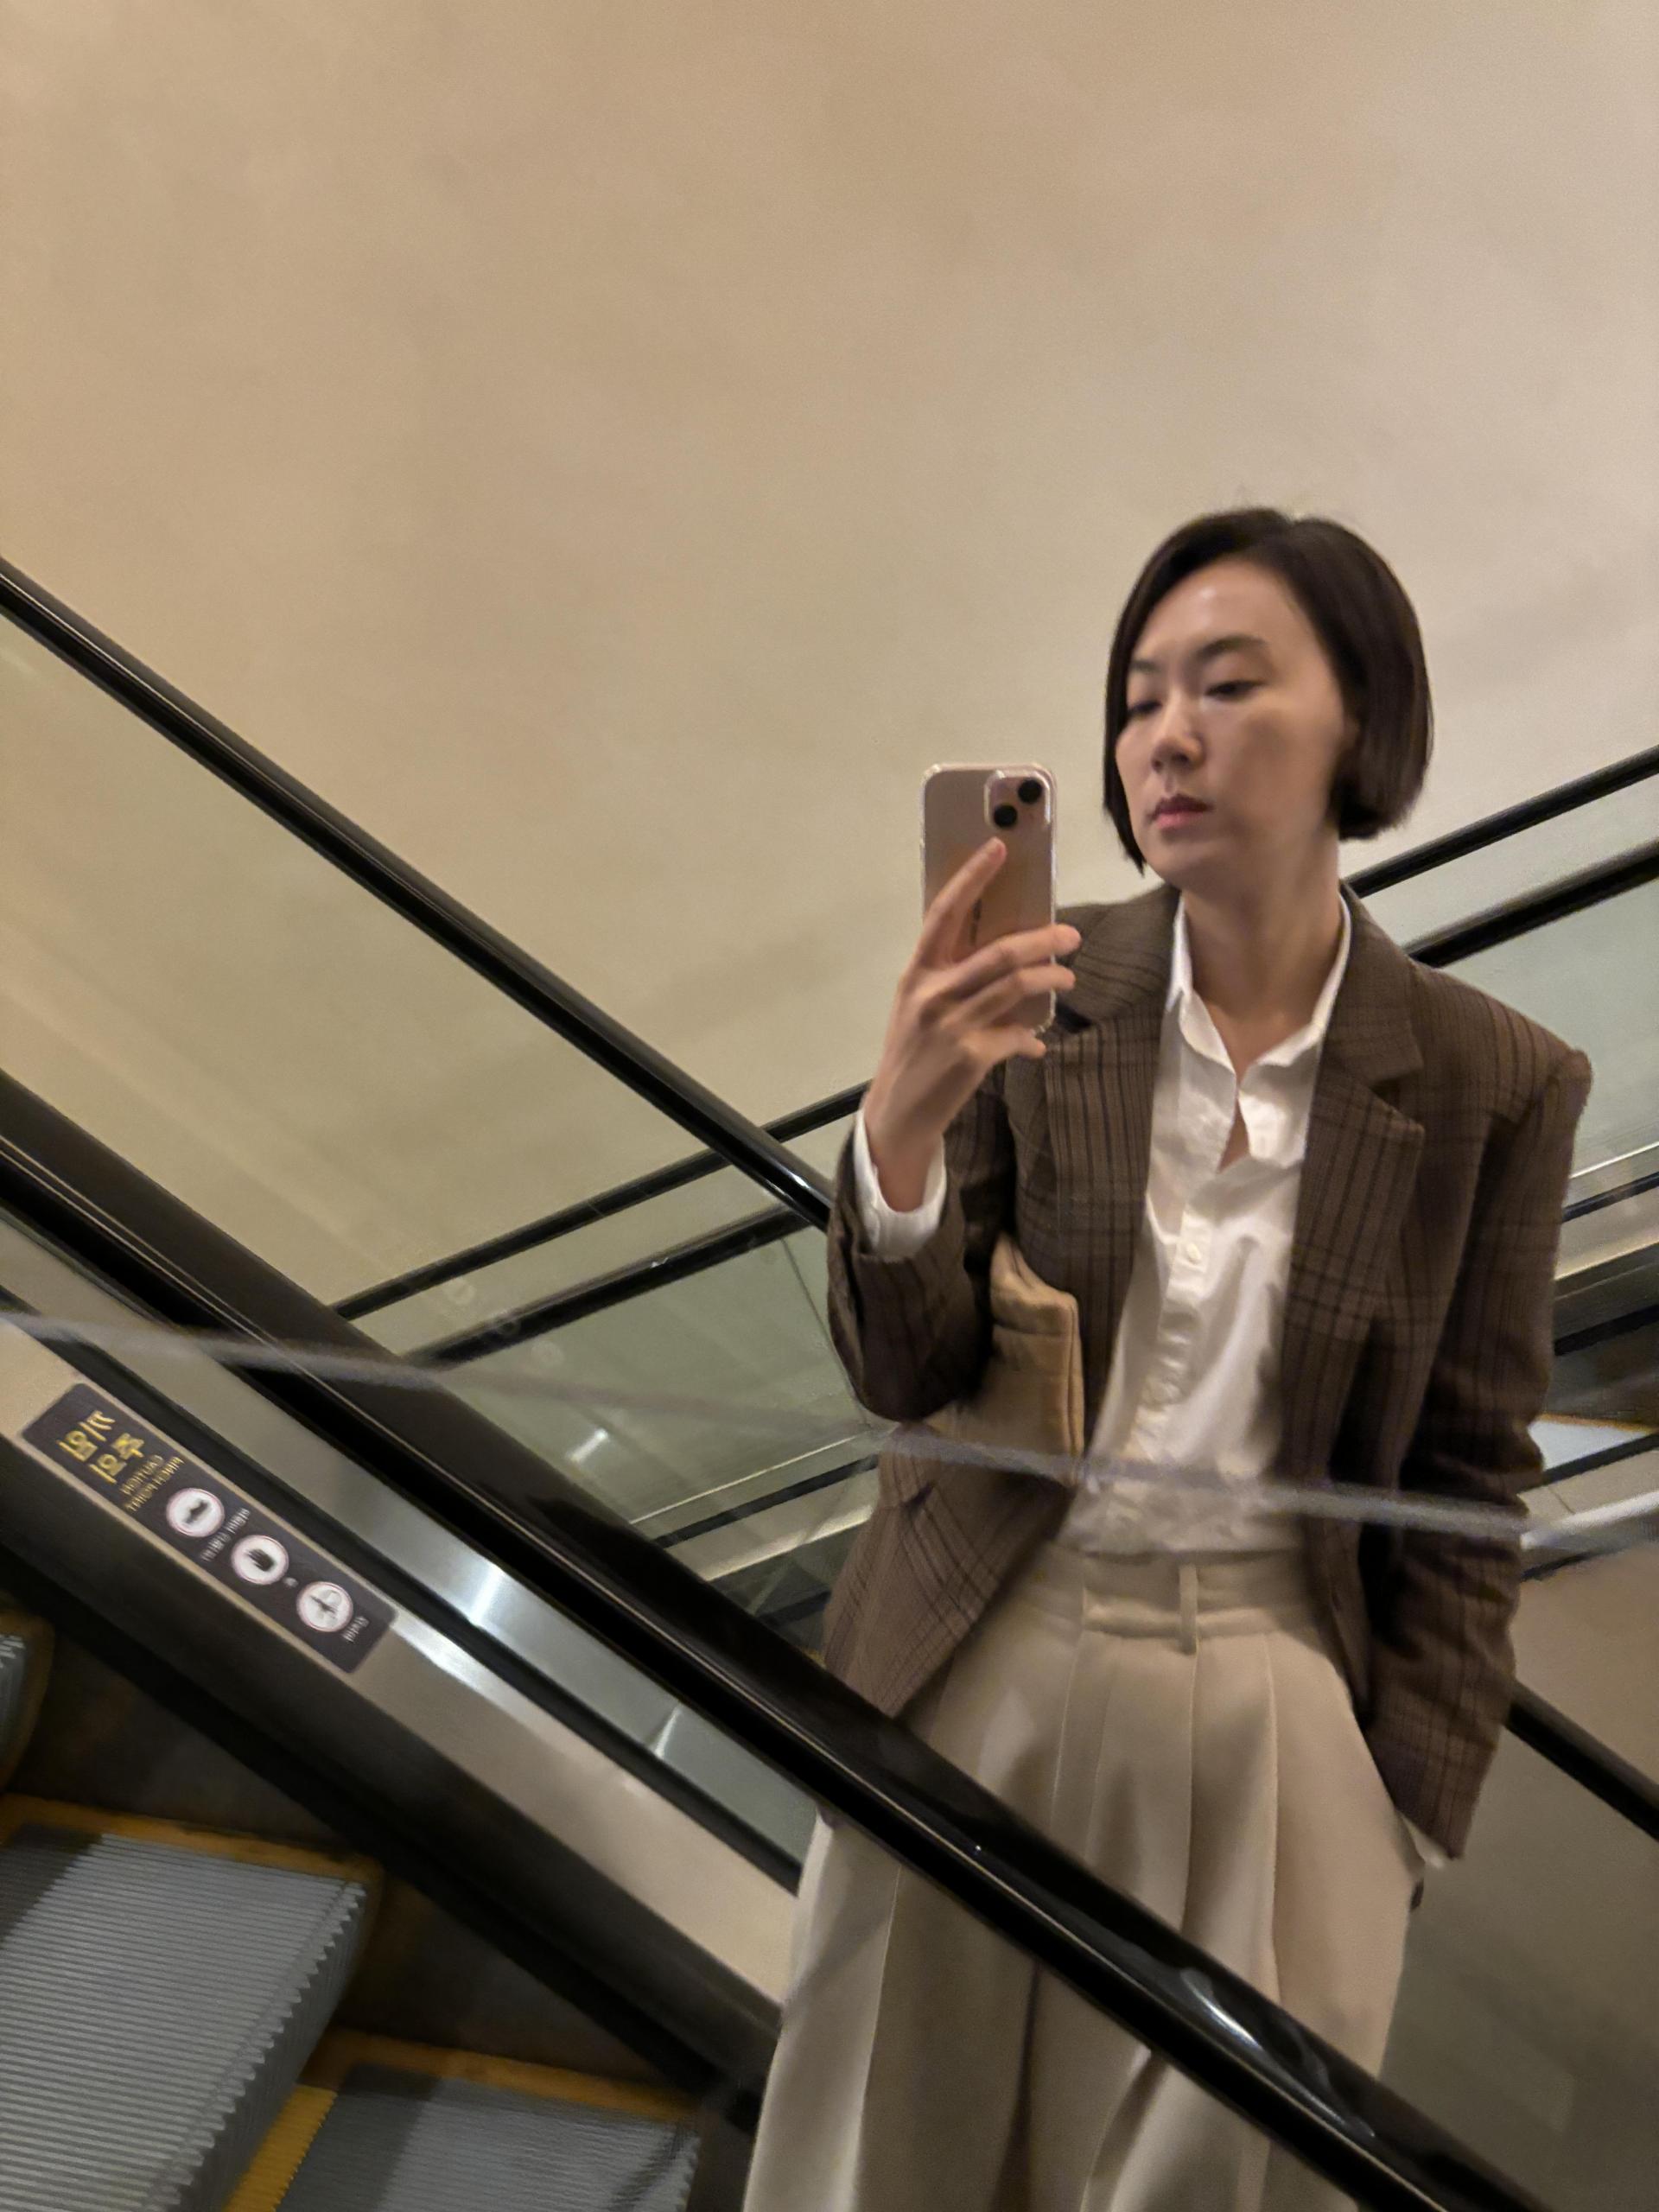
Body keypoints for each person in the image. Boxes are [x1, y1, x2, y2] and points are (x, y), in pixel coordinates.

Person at [742, 509, 1592, 2212]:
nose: (1166, 737)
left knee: (1226, 2178)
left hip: (1286, 1697)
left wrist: (1405, 1805)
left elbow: (1471, 1467)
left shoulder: (1492, 1077)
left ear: (1363, 720)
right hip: (991, 1639)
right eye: (1138, 699)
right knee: (881, 2156)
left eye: (1229, 684)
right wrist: (898, 1136)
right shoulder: (1040, 993)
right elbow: (907, 1375)